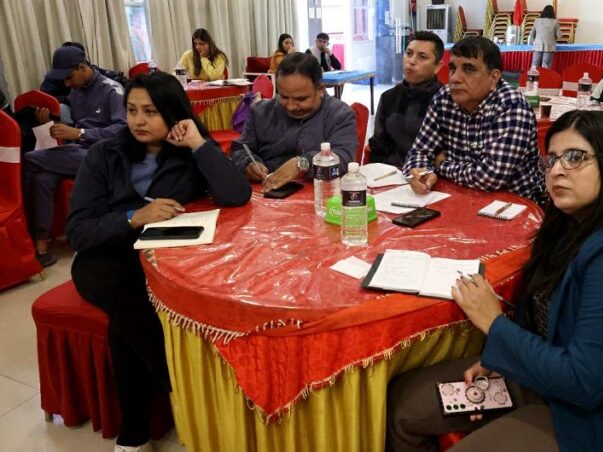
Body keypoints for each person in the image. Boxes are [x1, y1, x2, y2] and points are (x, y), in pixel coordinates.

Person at [387, 110, 603, 452]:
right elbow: (546, 326)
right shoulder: (568, 224)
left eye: (575, 158)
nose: (557, 170)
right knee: (402, 406)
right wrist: (504, 357)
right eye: (553, 159)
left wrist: (495, 325)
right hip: (549, 381)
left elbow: (583, 383)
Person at [66, 72, 251, 452]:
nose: (138, 120)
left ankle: (134, 432)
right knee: (128, 299)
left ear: (172, 113)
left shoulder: (185, 153)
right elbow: (78, 231)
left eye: (150, 112)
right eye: (132, 110)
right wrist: (133, 217)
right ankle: (182, 391)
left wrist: (199, 144)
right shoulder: (105, 154)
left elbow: (236, 194)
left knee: (124, 325)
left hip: (163, 257)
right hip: (105, 258)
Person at [401, 36, 545, 203]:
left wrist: (442, 165)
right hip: (459, 198)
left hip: (513, 205)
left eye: (468, 69)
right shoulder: (444, 98)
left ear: (494, 78)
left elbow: (490, 177)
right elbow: (419, 152)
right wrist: (420, 173)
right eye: (452, 68)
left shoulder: (512, 106)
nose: (455, 78)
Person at [23, 45, 126, 267]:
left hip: (106, 156)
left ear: (82, 67)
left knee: (30, 159)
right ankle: (41, 245)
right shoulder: (76, 92)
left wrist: (79, 133)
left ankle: (23, 233)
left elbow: (122, 131)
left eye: (69, 77)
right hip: (79, 152)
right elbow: (75, 128)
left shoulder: (112, 90)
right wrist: (52, 124)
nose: (68, 84)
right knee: (42, 178)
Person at [230, 52, 356, 193]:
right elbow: (240, 149)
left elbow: (344, 158)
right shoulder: (260, 112)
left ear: (320, 89)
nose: (290, 106)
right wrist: (247, 163)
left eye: (301, 99)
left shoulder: (339, 114)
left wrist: (303, 163)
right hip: (265, 193)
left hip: (321, 195)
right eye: (284, 97)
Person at [368, 31, 443, 167]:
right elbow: (378, 146)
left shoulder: (446, 101)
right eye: (409, 53)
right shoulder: (389, 98)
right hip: (391, 172)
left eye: (422, 57)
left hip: (429, 174)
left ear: (437, 66)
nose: (412, 61)